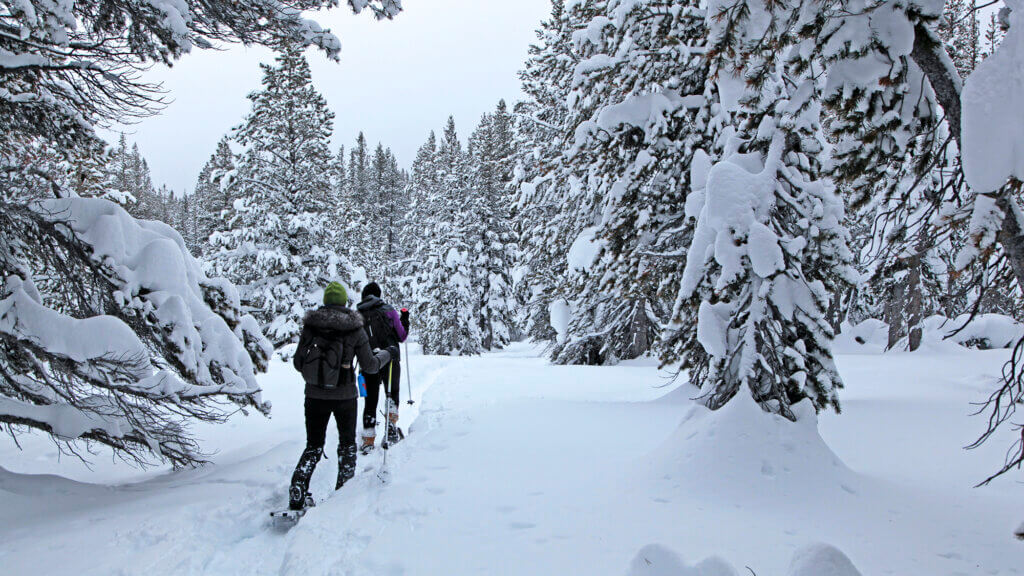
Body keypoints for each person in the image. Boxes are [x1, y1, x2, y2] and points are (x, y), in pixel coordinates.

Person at [288, 281, 399, 511]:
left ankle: (298, 488)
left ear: (326, 301)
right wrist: (388, 354)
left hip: (314, 396)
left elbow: (298, 363)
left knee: (313, 445)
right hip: (345, 397)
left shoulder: (311, 326)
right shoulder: (354, 327)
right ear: (344, 302)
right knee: (347, 445)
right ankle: (342, 496)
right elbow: (369, 366)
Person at [356, 282, 409, 453]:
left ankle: (368, 441)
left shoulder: (358, 314)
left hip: (368, 360)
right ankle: (391, 432)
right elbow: (401, 336)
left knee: (369, 401)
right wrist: (405, 319)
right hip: (390, 357)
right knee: (391, 394)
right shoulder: (388, 310)